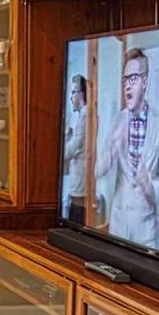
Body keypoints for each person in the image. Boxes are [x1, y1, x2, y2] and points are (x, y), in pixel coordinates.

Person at [94, 48, 159, 246]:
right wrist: (112, 149)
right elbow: (98, 170)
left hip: (145, 233)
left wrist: (149, 185)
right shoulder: (117, 121)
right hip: (117, 228)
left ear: (145, 82)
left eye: (133, 79)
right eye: (125, 80)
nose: (127, 86)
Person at [62, 74, 89, 223]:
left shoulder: (85, 117)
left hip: (81, 187)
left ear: (82, 94)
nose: (71, 97)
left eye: (73, 92)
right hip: (76, 184)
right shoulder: (79, 117)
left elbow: (72, 149)